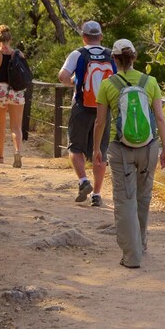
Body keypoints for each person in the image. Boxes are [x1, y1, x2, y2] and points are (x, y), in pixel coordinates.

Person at [93, 39, 165, 268]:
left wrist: (97, 148)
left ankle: (132, 255)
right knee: (143, 197)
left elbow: (100, 122)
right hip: (149, 147)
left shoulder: (108, 85)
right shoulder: (150, 82)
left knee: (125, 199)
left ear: (114, 59)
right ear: (134, 57)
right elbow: (160, 118)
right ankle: (142, 242)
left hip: (120, 149)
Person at [58, 20, 116, 206]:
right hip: (103, 110)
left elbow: (63, 76)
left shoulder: (78, 54)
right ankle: (97, 195)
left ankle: (83, 181)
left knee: (75, 148)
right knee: (100, 151)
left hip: (82, 107)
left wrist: (74, 82)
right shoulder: (111, 55)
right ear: (100, 36)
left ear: (84, 37)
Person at [0, 25, 25, 168]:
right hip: (16, 91)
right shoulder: (18, 53)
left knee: (0, 125)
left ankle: (0, 156)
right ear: (11, 39)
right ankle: (17, 152)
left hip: (1, 90)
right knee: (16, 127)